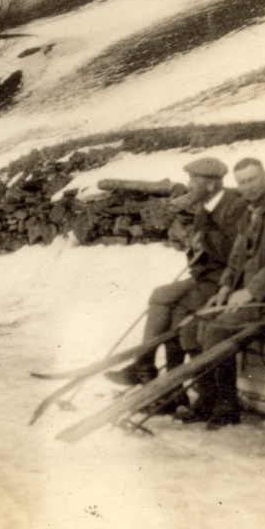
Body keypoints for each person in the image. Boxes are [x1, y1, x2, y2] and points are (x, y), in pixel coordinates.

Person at [181, 157, 265, 428]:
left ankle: (228, 407)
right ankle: (208, 399)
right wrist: (225, 287)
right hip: (254, 295)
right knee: (195, 326)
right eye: (242, 183)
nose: (248, 187)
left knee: (215, 330)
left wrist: (250, 291)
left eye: (253, 179)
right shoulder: (252, 211)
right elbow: (238, 256)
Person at [105, 157, 247, 400]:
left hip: (225, 280)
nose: (189, 185)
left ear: (211, 185)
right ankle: (145, 364)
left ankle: (167, 385)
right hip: (205, 276)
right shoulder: (205, 206)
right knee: (160, 294)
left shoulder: (233, 207)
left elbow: (235, 250)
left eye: (194, 180)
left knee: (177, 317)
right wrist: (192, 241)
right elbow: (203, 247)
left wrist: (201, 240)